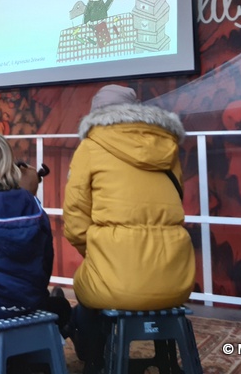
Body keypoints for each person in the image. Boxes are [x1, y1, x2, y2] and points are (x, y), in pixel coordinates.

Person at [63, 84, 195, 373]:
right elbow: (174, 204)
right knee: (103, 281)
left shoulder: (91, 146)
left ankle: (93, 355)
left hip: (116, 278)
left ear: (95, 113)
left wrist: (98, 252)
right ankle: (166, 359)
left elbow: (74, 219)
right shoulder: (166, 145)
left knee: (85, 287)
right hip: (177, 279)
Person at [0, 131, 72, 333]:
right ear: (10, 165)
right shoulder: (33, 206)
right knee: (62, 308)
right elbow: (45, 264)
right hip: (28, 304)